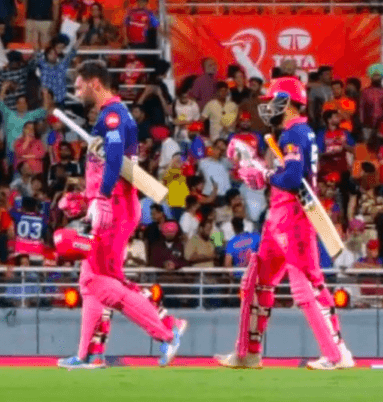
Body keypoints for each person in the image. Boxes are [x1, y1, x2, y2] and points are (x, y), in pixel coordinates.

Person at [55, 60, 186, 369]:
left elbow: (113, 161)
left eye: (79, 86)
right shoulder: (113, 115)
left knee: (100, 281)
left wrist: (100, 198)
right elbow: (106, 165)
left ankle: (167, 331)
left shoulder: (112, 116)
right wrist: (86, 198)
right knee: (90, 280)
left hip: (114, 208)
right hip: (112, 205)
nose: (77, 92)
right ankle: (90, 354)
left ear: (95, 84)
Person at [216, 77, 353, 370]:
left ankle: (336, 353)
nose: (269, 107)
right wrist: (257, 166)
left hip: (294, 218)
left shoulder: (294, 132)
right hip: (278, 216)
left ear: (287, 103)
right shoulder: (297, 132)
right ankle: (248, 353)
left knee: (307, 287)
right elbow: (287, 174)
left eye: (273, 101)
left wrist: (263, 175)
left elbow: (291, 178)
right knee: (256, 283)